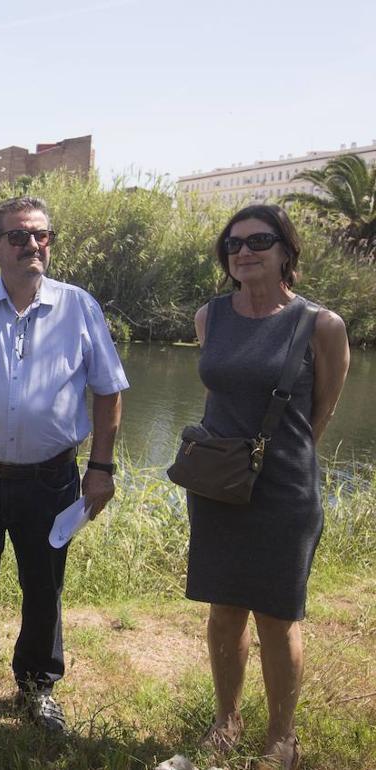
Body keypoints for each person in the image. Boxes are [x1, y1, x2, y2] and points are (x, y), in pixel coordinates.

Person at [0, 195, 128, 732]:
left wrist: (100, 468)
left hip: (51, 477)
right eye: (18, 236)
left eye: (41, 235)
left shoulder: (80, 307)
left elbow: (108, 393)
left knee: (44, 585)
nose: (33, 245)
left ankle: (37, 687)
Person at [186, 204, 348, 770]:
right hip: (218, 483)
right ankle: (225, 721)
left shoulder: (320, 325)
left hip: (284, 490)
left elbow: (321, 410)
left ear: (286, 251)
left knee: (278, 617)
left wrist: (277, 459)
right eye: (233, 245)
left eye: (259, 241)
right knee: (224, 609)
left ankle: (282, 738)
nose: (244, 252)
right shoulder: (210, 317)